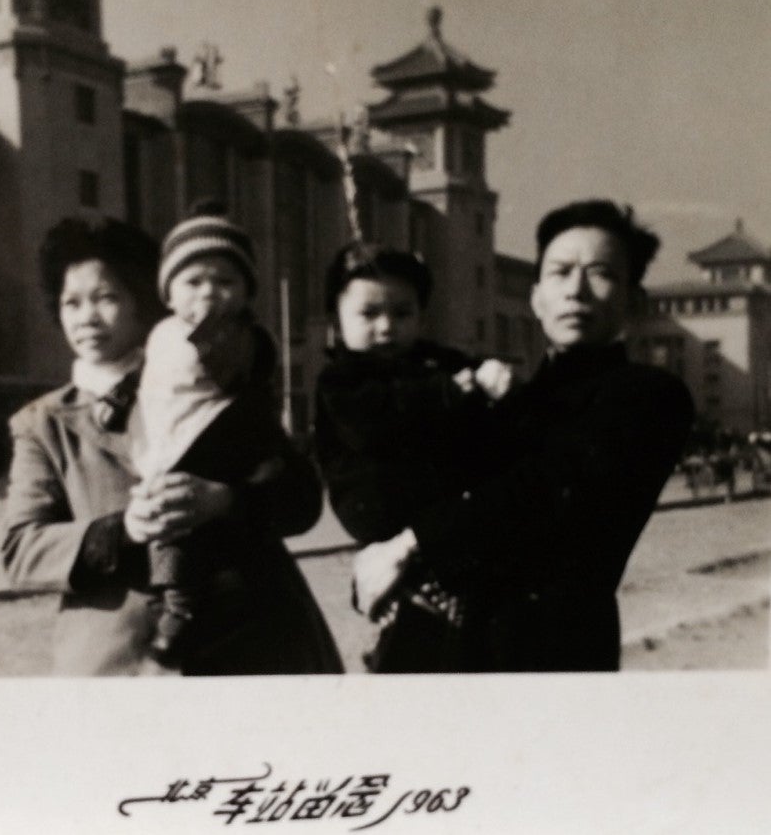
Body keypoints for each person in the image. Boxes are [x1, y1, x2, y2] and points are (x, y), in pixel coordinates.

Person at [352, 200, 695, 672]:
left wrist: (410, 546)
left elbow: (544, 486)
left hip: (551, 655)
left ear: (634, 302)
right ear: (536, 298)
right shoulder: (511, 400)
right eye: (559, 272)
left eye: (600, 273)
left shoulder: (649, 396)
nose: (576, 290)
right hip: (444, 649)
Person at [0, 216, 342, 676]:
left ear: (143, 301)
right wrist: (123, 530)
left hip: (255, 643)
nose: (87, 318)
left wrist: (226, 500)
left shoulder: (208, 375)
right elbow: (22, 549)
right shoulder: (42, 424)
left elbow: (301, 500)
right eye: (71, 302)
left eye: (106, 297)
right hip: (122, 662)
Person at [314, 241, 513, 671]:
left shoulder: (432, 362)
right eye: (369, 314)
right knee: (413, 633)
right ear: (337, 319)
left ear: (421, 316)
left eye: (401, 314)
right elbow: (374, 422)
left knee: (460, 628)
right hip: (383, 514)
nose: (386, 328)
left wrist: (488, 374)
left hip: (438, 522)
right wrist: (450, 391)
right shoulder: (342, 380)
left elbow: (470, 370)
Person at [137, 202, 284, 665]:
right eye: (194, 281)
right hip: (166, 438)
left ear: (246, 293)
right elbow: (143, 380)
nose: (209, 293)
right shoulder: (161, 334)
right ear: (168, 293)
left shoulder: (245, 336)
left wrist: (214, 333)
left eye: (225, 282)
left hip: (217, 438)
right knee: (166, 525)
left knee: (187, 527)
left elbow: (239, 376)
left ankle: (180, 608)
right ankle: (171, 598)